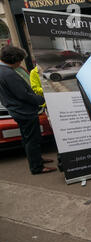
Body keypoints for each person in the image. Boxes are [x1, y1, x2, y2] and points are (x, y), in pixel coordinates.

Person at [0, 45, 56, 174]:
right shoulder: (8, 73)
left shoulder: (2, 70)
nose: (20, 63)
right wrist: (42, 99)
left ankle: (37, 159)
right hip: (24, 111)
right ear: (13, 60)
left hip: (16, 110)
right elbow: (23, 95)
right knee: (33, 139)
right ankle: (37, 167)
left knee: (27, 139)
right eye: (19, 60)